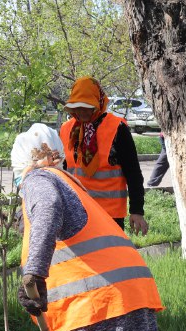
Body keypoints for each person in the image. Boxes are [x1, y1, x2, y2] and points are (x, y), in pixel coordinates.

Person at [10, 124, 163, 331]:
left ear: (21, 165)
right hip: (121, 291)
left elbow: (48, 209)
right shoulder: (68, 180)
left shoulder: (39, 180)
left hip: (99, 300)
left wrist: (33, 274)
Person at [60, 77, 148, 236]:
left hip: (109, 214)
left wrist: (137, 210)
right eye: (77, 106)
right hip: (77, 212)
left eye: (87, 106)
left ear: (98, 104)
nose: (81, 111)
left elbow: (133, 172)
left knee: (110, 259)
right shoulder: (67, 129)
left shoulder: (117, 128)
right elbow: (65, 170)